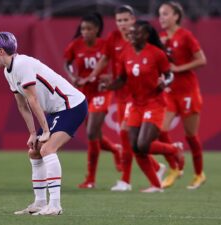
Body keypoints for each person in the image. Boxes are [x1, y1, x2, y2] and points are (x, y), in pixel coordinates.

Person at [0, 32, 87, 215]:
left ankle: (55, 205)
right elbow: (22, 105)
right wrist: (33, 133)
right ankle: (40, 203)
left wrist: (46, 131)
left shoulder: (22, 64)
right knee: (34, 151)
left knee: (47, 149)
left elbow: (32, 100)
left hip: (72, 105)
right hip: (58, 109)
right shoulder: (8, 71)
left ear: (1, 51)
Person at [81, 5, 166, 191]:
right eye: (119, 20)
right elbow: (104, 60)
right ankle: (158, 167)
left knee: (127, 136)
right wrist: (93, 76)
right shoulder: (113, 38)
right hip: (121, 95)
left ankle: (126, 180)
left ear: (133, 20)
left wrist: (161, 80)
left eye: (126, 20)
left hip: (137, 96)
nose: (123, 24)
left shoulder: (140, 40)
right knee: (128, 138)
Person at [101, 20, 184, 192]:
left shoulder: (157, 54)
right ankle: (156, 185)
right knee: (135, 147)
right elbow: (122, 79)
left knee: (143, 145)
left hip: (155, 103)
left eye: (136, 33)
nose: (131, 35)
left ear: (146, 35)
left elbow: (169, 76)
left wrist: (164, 83)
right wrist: (108, 86)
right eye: (131, 33)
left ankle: (174, 149)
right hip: (136, 104)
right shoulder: (126, 54)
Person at [63, 13, 122, 189]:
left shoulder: (105, 45)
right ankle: (115, 149)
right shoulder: (75, 45)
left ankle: (90, 179)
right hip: (84, 93)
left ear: (97, 29)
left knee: (91, 133)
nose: (85, 32)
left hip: (102, 92)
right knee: (94, 134)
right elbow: (67, 63)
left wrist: (109, 77)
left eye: (89, 29)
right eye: (83, 29)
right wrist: (72, 76)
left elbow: (119, 67)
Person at [158, 1, 207, 189]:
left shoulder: (186, 36)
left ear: (176, 16)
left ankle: (198, 174)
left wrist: (178, 68)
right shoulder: (162, 38)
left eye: (165, 14)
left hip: (188, 92)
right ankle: (175, 167)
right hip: (170, 92)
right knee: (160, 130)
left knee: (191, 136)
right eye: (160, 14)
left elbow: (202, 60)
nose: (161, 17)